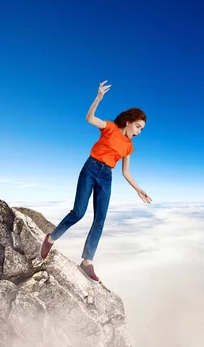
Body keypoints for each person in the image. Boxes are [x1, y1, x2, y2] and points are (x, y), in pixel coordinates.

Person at [40, 80, 152, 282]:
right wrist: (98, 98)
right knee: (78, 212)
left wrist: (138, 189)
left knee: (100, 220)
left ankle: (86, 262)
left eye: (142, 129)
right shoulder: (110, 127)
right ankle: (51, 238)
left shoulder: (129, 147)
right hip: (91, 168)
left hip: (107, 176)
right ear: (128, 122)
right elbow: (89, 118)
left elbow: (126, 172)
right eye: (138, 126)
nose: (139, 131)